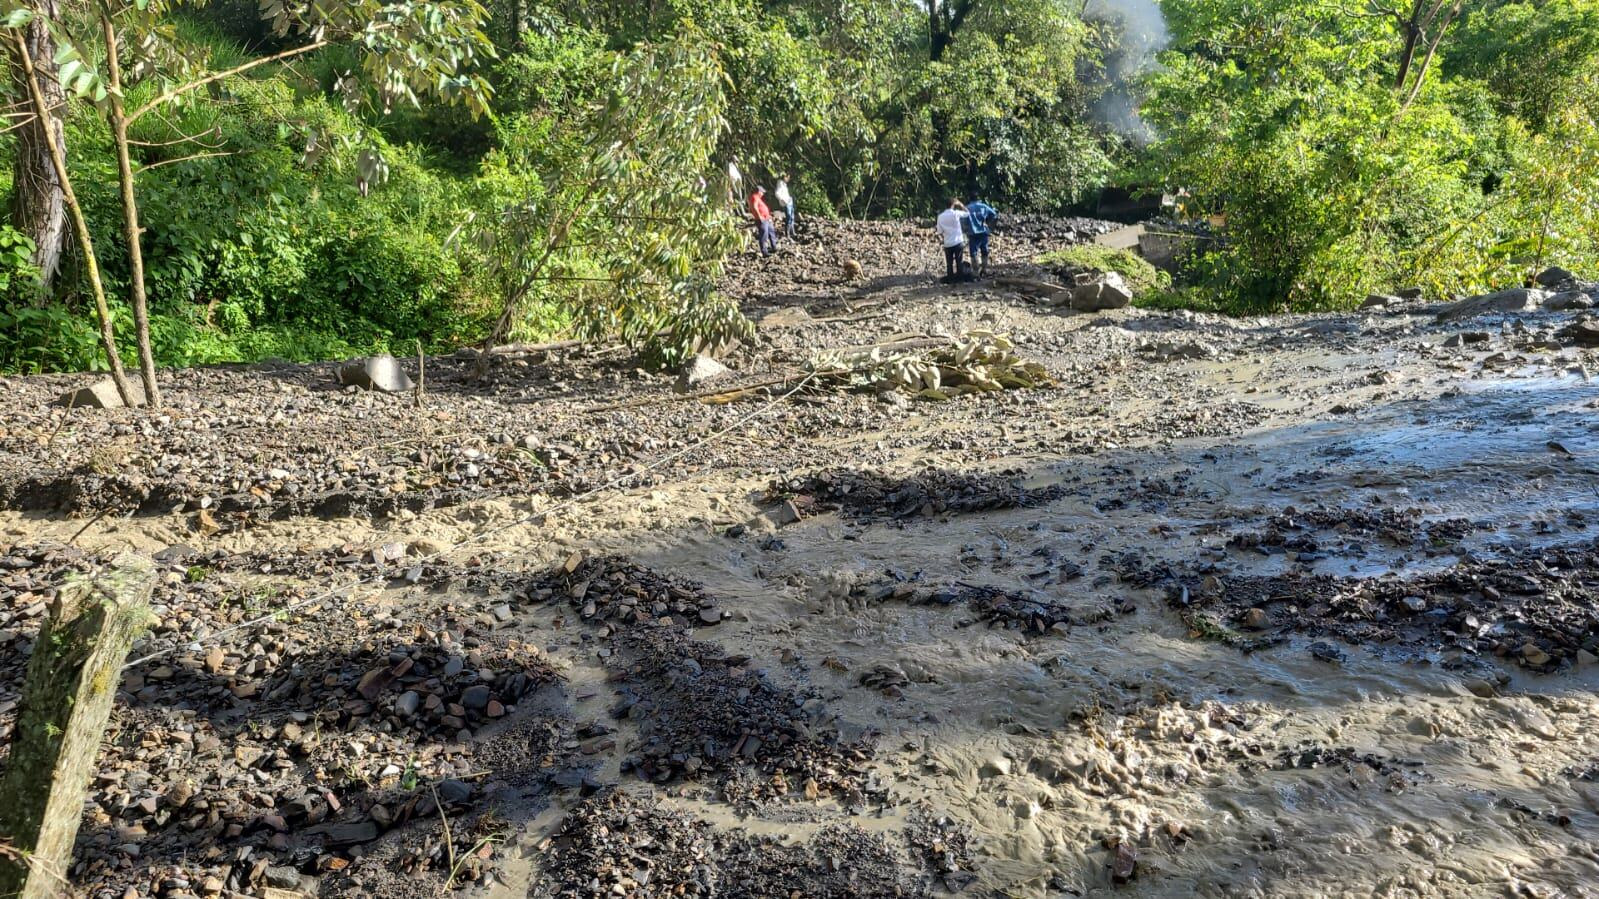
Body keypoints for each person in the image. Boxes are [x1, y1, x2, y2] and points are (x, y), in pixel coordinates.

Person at [964, 195, 998, 277]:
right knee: (984, 251)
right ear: (978, 199)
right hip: (983, 231)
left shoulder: (967, 208)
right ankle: (984, 270)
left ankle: (976, 273)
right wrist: (989, 224)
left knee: (974, 253)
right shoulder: (983, 206)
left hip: (973, 233)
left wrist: (966, 229)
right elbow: (994, 214)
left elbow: (963, 220)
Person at [935, 198, 969, 278]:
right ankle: (960, 277)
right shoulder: (956, 213)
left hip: (948, 242)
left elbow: (939, 231)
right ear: (953, 205)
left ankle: (950, 278)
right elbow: (967, 213)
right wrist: (961, 204)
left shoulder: (940, 217)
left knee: (949, 263)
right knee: (959, 261)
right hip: (958, 241)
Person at [750, 186, 777, 256]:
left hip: (767, 218)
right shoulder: (754, 197)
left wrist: (768, 216)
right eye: (762, 192)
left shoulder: (758, 198)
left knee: (771, 232)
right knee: (764, 235)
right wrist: (759, 216)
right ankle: (764, 252)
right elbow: (754, 207)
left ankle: (774, 247)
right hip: (762, 219)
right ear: (759, 191)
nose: (763, 194)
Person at [775, 174, 796, 239]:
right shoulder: (780, 183)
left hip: (789, 201)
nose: (788, 179)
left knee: (792, 217)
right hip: (786, 203)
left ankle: (792, 232)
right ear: (784, 177)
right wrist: (783, 200)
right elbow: (777, 193)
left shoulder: (784, 184)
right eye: (787, 177)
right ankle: (788, 233)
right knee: (789, 218)